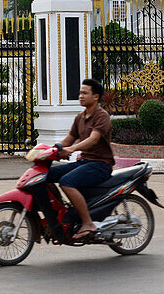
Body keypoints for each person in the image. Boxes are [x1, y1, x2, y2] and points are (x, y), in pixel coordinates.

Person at [48, 78, 115, 240]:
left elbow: (93, 139)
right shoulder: (80, 117)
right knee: (45, 175)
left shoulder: (102, 116)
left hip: (100, 164)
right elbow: (69, 139)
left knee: (66, 182)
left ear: (96, 97)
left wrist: (72, 149)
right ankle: (61, 212)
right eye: (80, 93)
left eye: (85, 93)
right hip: (84, 162)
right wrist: (52, 149)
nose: (81, 96)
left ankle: (88, 223)